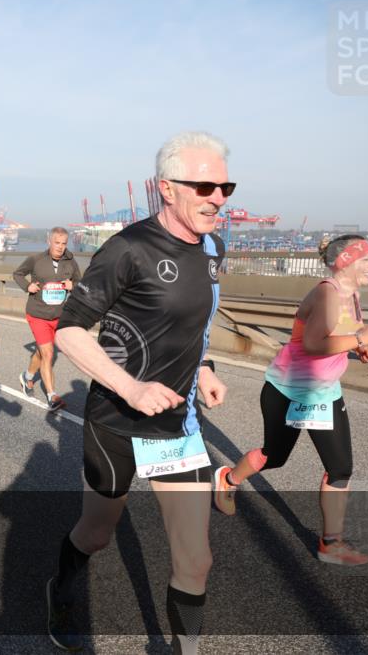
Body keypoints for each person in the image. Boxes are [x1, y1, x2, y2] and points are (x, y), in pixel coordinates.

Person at [47, 132, 232, 653]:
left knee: (196, 560)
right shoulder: (128, 248)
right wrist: (130, 387)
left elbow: (195, 324)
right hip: (117, 421)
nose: (217, 198)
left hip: (176, 425)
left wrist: (204, 368)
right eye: (204, 187)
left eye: (225, 187)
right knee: (97, 534)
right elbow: (69, 330)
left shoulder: (214, 248)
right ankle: (61, 588)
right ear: (167, 189)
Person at [213, 235, 368, 565]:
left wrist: (360, 346)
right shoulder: (326, 293)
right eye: (366, 259)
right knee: (274, 456)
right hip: (288, 390)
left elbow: (343, 331)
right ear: (345, 261)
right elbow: (313, 344)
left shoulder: (351, 293)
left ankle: (330, 544)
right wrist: (361, 337)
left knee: (340, 468)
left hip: (325, 392)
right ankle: (228, 479)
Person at [13, 227, 81, 411]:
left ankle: (27, 377)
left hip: (58, 315)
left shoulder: (71, 261)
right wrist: (27, 286)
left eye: (64, 243)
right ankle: (52, 397)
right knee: (49, 354)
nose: (60, 247)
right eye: (57, 242)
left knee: (42, 352)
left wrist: (73, 285)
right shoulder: (36, 259)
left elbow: (80, 282)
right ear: (49, 241)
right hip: (38, 314)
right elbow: (18, 274)